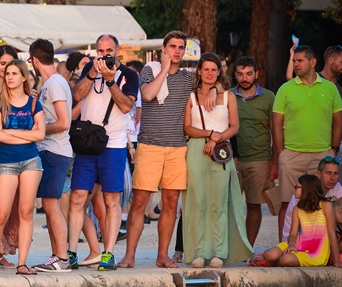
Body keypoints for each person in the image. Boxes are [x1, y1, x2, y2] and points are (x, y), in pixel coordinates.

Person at [68, 35, 139, 271]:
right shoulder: (90, 69)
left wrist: (110, 81)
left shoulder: (128, 75)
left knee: (111, 199)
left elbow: (127, 106)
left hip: (114, 145)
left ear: (117, 51)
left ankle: (108, 254)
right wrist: (92, 73)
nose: (105, 55)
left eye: (109, 50)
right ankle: (71, 253)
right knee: (78, 196)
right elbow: (77, 95)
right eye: (100, 50)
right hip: (88, 142)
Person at [121, 31, 191, 269]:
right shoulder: (150, 71)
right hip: (149, 146)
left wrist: (213, 91)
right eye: (172, 46)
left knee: (171, 203)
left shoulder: (188, 79)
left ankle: (163, 255)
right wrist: (164, 68)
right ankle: (129, 256)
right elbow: (149, 94)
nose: (177, 51)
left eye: (181, 47)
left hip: (177, 148)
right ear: (164, 49)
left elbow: (213, 88)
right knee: (139, 201)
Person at [181, 53, 251, 268]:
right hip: (196, 151)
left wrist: (218, 137)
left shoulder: (228, 96)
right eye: (206, 69)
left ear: (219, 72)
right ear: (199, 71)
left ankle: (219, 252)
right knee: (197, 202)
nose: (210, 73)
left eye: (214, 69)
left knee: (219, 203)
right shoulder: (191, 97)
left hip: (221, 151)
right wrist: (210, 134)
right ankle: (199, 251)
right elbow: (187, 128)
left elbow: (235, 126)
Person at [272, 44, 342, 235]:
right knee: (286, 203)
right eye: (294, 60)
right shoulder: (285, 89)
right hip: (291, 155)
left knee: (324, 204)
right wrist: (281, 153)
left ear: (313, 62)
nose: (296, 64)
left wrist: (333, 149)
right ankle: (284, 245)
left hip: (322, 155)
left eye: (300, 60)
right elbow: (276, 123)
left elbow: (338, 120)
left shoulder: (330, 89)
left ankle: (321, 247)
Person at [0, 60, 45, 275]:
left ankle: (22, 263)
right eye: (7, 73)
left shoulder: (34, 104)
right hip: (6, 163)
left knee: (26, 212)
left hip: (31, 161)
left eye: (14, 73)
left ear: (24, 77)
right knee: (1, 214)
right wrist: (26, 136)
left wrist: (12, 134)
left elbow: (41, 134)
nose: (9, 77)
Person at [27, 39, 74, 272]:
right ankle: (57, 256)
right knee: (49, 204)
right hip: (52, 150)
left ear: (34, 60)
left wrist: (39, 128)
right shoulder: (53, 83)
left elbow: (64, 122)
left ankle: (62, 257)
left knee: (51, 204)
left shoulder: (55, 83)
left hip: (55, 151)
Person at [232, 56, 275, 245]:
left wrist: (275, 161)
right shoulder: (227, 96)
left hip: (259, 159)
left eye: (249, 74)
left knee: (254, 204)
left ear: (256, 74)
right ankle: (231, 248)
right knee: (229, 206)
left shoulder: (269, 97)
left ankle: (248, 247)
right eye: (240, 74)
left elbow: (275, 130)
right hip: (231, 160)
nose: (245, 78)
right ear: (235, 75)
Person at [258, 175, 339, 268]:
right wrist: (292, 244)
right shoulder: (297, 208)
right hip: (297, 244)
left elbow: (332, 233)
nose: (294, 190)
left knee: (286, 260)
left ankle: (274, 262)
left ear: (306, 190)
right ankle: (268, 259)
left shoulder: (326, 205)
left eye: (297, 187)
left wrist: (336, 261)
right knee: (270, 255)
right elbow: (292, 234)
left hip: (315, 252)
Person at [280, 156, 342, 242]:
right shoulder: (303, 192)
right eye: (328, 173)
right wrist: (286, 243)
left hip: (325, 237)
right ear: (319, 174)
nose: (332, 178)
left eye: (335, 173)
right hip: (301, 240)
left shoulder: (337, 188)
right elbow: (289, 222)